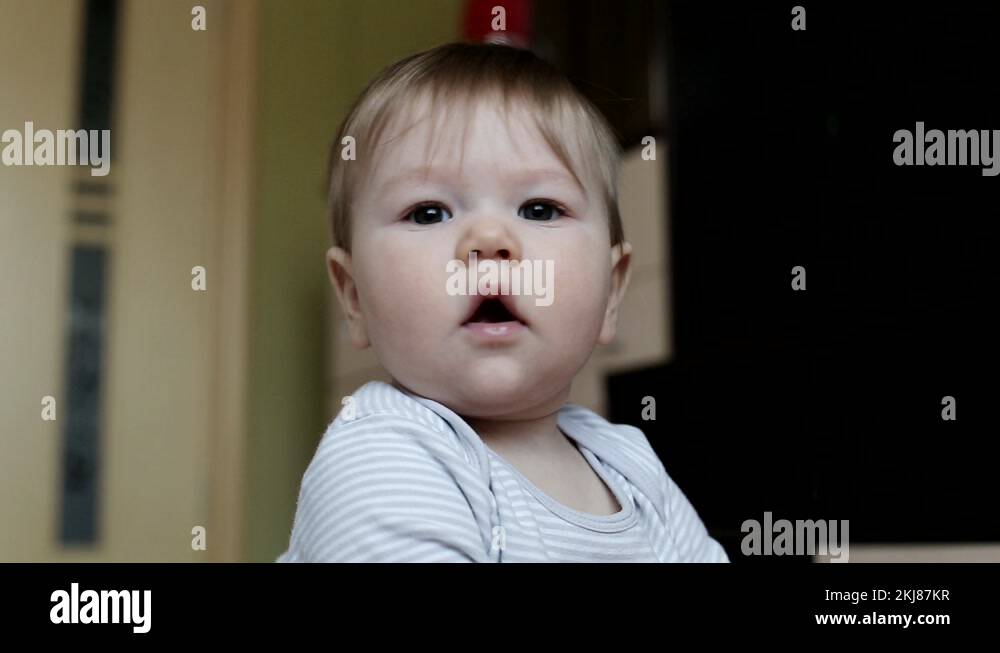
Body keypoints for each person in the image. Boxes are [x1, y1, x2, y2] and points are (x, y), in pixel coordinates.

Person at [277, 42, 728, 562]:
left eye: (539, 208)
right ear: (353, 296)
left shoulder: (631, 467)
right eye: (428, 212)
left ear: (611, 291)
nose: (489, 240)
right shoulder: (383, 452)